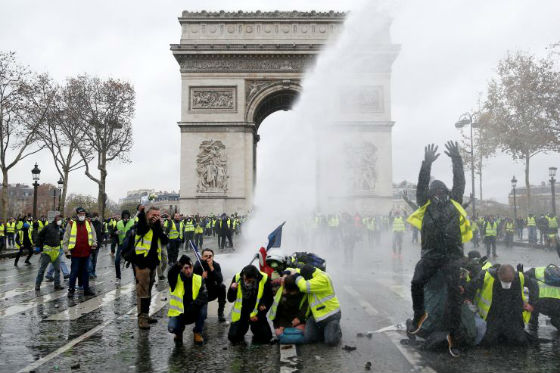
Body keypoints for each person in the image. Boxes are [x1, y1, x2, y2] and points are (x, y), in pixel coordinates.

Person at [406, 142, 470, 358]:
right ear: (430, 193)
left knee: (454, 300)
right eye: (436, 191)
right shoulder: (425, 205)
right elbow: (421, 185)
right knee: (416, 282)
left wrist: (456, 159)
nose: (439, 193)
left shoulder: (456, 202)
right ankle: (418, 315)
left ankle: (455, 338)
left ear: (448, 192)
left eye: (443, 191)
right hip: (431, 254)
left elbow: (460, 181)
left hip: (452, 257)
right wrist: (426, 164)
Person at [465, 264, 535, 346]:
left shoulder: (519, 276)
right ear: (498, 274)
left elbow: (534, 286)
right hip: (492, 314)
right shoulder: (486, 275)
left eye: (510, 281)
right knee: (488, 341)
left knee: (520, 341)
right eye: (504, 281)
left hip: (512, 313)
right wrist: (468, 300)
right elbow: (470, 287)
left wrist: (531, 304)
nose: (507, 284)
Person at [286, 264, 341, 346]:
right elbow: (294, 270)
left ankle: (337, 330)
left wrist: (297, 276)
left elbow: (304, 286)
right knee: (309, 339)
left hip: (330, 316)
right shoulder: (312, 271)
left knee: (330, 342)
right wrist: (286, 273)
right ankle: (325, 330)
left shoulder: (323, 279)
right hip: (316, 316)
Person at [133, 205, 169, 329]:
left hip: (153, 262)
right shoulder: (142, 223)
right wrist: (142, 212)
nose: (156, 217)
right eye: (153, 215)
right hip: (141, 261)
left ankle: (146, 314)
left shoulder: (157, 227)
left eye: (157, 215)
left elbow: (165, 241)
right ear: (147, 215)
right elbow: (142, 229)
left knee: (148, 290)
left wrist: (159, 227)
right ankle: (142, 319)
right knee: (142, 290)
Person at [167, 255, 208, 345]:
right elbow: (170, 273)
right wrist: (178, 264)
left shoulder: (199, 278)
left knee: (203, 309)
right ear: (181, 268)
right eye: (185, 268)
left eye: (190, 267)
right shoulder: (175, 279)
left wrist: (193, 306)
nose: (188, 270)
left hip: (193, 310)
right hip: (179, 312)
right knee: (172, 328)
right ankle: (178, 333)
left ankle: (197, 332)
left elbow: (204, 296)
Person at [227, 264, 273, 344]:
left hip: (257, 313)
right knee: (233, 338)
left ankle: (256, 330)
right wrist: (232, 289)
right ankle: (242, 329)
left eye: (249, 280)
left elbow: (269, 298)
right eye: (245, 279)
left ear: (255, 277)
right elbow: (230, 299)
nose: (246, 282)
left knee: (266, 338)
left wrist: (260, 314)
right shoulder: (237, 277)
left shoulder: (264, 278)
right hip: (241, 313)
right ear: (244, 275)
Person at [63, 207, 97, 297]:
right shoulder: (71, 224)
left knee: (86, 271)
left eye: (83, 214)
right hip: (75, 253)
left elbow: (93, 235)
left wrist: (94, 245)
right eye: (80, 214)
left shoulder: (89, 223)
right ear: (77, 215)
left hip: (86, 252)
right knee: (74, 272)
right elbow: (66, 238)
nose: (82, 216)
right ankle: (71, 289)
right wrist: (66, 251)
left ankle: (86, 289)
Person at [269, 274, 308, 343]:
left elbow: (305, 308)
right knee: (279, 334)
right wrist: (279, 326)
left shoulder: (303, 292)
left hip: (298, 319)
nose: (293, 293)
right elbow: (276, 314)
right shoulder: (281, 294)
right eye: (291, 292)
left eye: (294, 291)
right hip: (284, 320)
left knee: (301, 335)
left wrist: (299, 318)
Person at [193, 248, 227, 322]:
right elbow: (192, 283)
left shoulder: (216, 265)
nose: (208, 258)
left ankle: (220, 313)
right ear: (202, 257)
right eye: (206, 256)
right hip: (201, 293)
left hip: (212, 291)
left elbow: (220, 279)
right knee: (203, 316)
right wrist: (201, 278)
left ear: (213, 257)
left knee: (222, 287)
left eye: (210, 256)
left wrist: (212, 268)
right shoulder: (198, 265)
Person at [525, 265, 560, 331]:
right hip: (557, 307)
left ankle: (533, 325)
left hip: (538, 304)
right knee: (556, 320)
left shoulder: (537, 271)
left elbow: (523, 279)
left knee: (533, 295)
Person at [35, 215, 65, 292]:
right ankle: (37, 285)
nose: (60, 220)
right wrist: (38, 246)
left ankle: (57, 285)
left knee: (57, 270)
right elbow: (39, 236)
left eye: (61, 219)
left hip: (56, 252)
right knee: (42, 269)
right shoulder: (48, 227)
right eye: (59, 219)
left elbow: (60, 238)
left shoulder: (59, 229)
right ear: (55, 219)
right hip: (47, 252)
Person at [115, 210, 135, 285]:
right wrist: (115, 233)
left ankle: (135, 276)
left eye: (127, 216)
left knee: (133, 262)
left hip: (130, 245)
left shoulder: (132, 222)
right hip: (121, 245)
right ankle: (118, 277)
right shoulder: (118, 223)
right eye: (124, 216)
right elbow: (113, 232)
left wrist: (134, 232)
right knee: (117, 261)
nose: (126, 217)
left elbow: (137, 230)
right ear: (122, 216)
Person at [89, 212, 104, 279]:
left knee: (94, 260)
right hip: (90, 245)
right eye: (94, 216)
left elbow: (102, 232)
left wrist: (100, 241)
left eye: (96, 216)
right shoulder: (89, 223)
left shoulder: (99, 224)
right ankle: (90, 273)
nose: (96, 217)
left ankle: (93, 272)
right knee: (90, 259)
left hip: (97, 245)